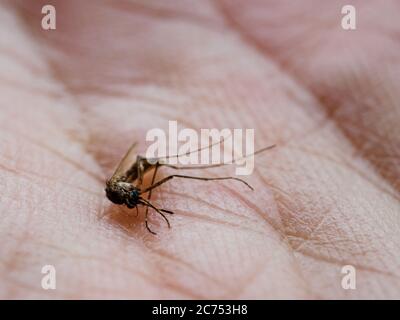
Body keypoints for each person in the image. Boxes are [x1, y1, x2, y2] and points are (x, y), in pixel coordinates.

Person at [0, 0, 399, 299]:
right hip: (133, 172)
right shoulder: (120, 197)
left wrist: (145, 200)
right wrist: (142, 204)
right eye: (134, 199)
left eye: (135, 199)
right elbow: (124, 194)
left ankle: (220, 167)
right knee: (161, 176)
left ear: (127, 194)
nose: (137, 201)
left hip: (141, 166)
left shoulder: (129, 189)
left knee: (165, 170)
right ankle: (220, 166)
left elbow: (134, 178)